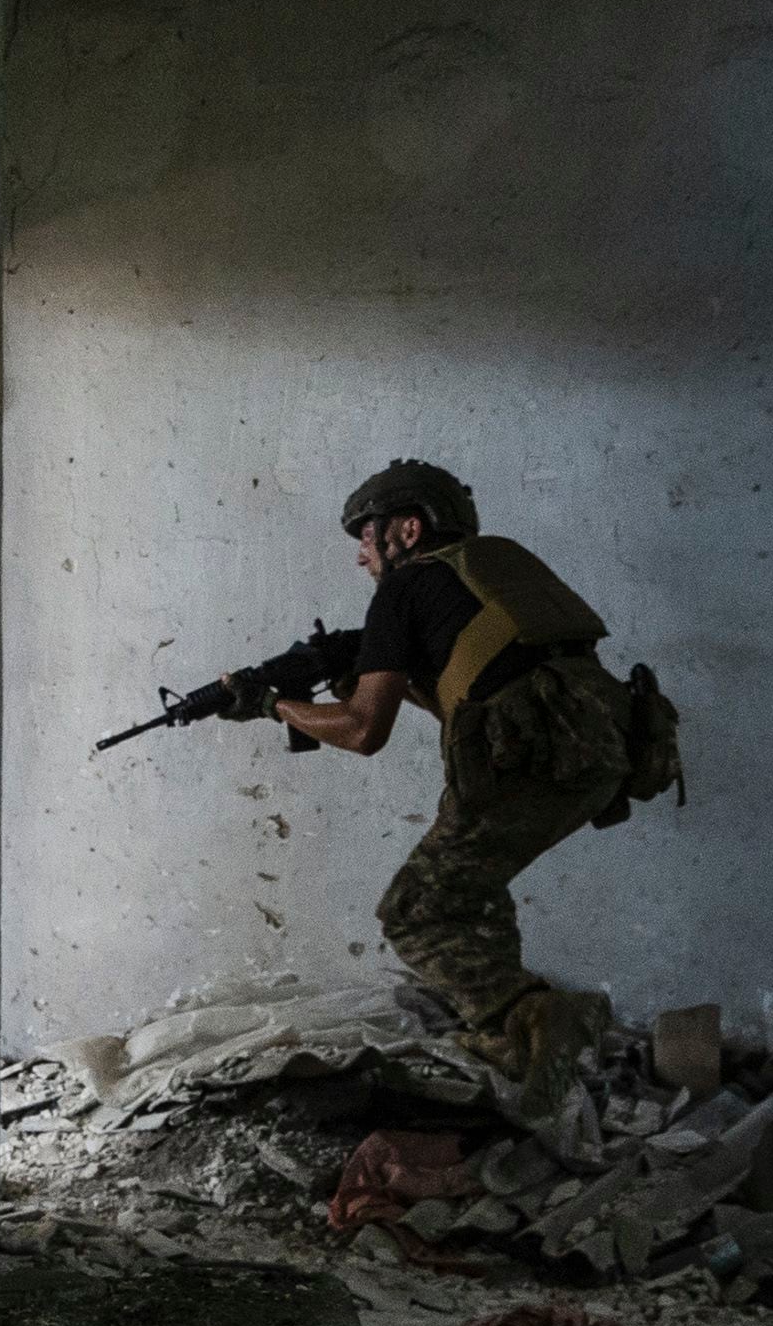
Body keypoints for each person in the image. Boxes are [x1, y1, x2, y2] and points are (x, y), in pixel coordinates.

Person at [269, 458, 671, 1112]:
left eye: (365, 541)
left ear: (405, 529)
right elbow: (479, 685)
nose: (361, 560)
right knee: (470, 886)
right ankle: (512, 1036)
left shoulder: (404, 591)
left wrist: (275, 706)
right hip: (605, 750)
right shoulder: (494, 571)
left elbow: (365, 729)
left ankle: (540, 1017)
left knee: (415, 909)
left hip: (533, 757)